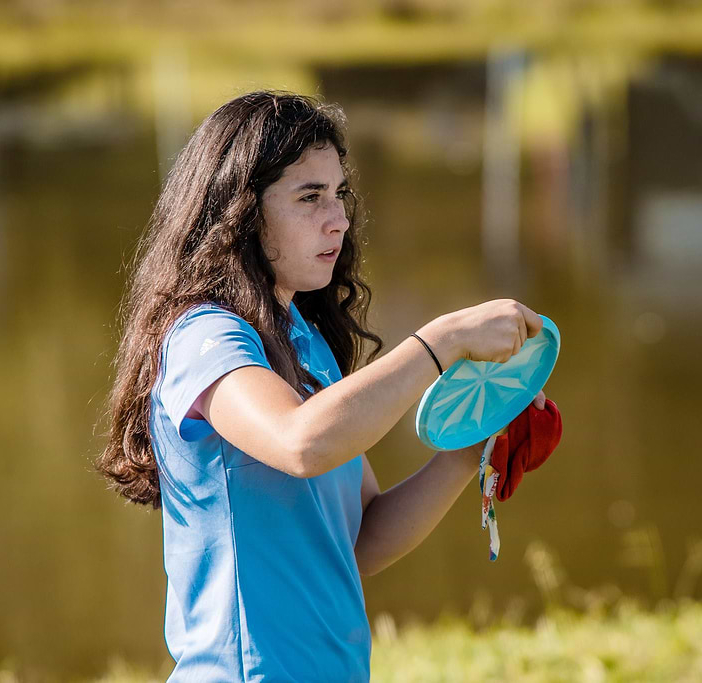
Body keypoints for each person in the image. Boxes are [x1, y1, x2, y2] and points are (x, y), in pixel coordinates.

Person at [96, 90, 547, 682]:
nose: (338, 218)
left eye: (339, 194)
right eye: (309, 197)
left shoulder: (302, 341)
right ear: (240, 211)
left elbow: (360, 539)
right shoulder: (203, 336)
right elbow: (300, 442)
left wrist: (472, 447)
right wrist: (444, 340)